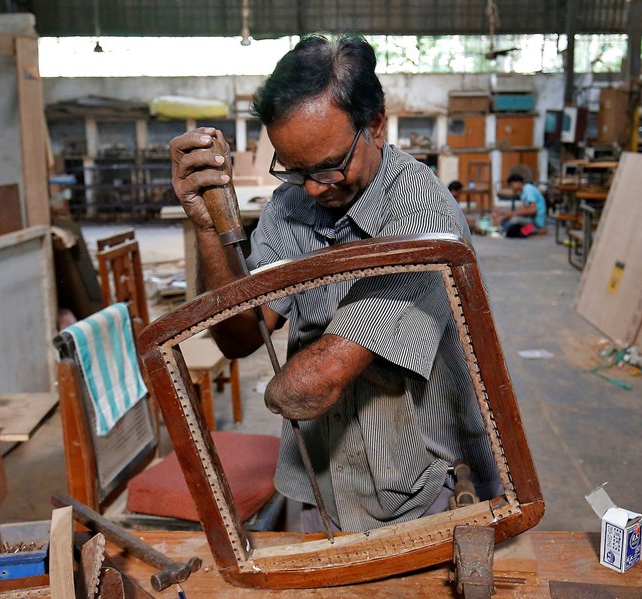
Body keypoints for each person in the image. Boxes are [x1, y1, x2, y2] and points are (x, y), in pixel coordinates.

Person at [169, 34, 499, 533]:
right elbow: (239, 337)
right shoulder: (289, 205)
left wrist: (275, 389)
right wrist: (210, 227)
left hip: (424, 490)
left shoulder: (424, 220)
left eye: (330, 166)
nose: (316, 187)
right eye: (295, 170)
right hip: (320, 477)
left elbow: (311, 386)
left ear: (376, 124)